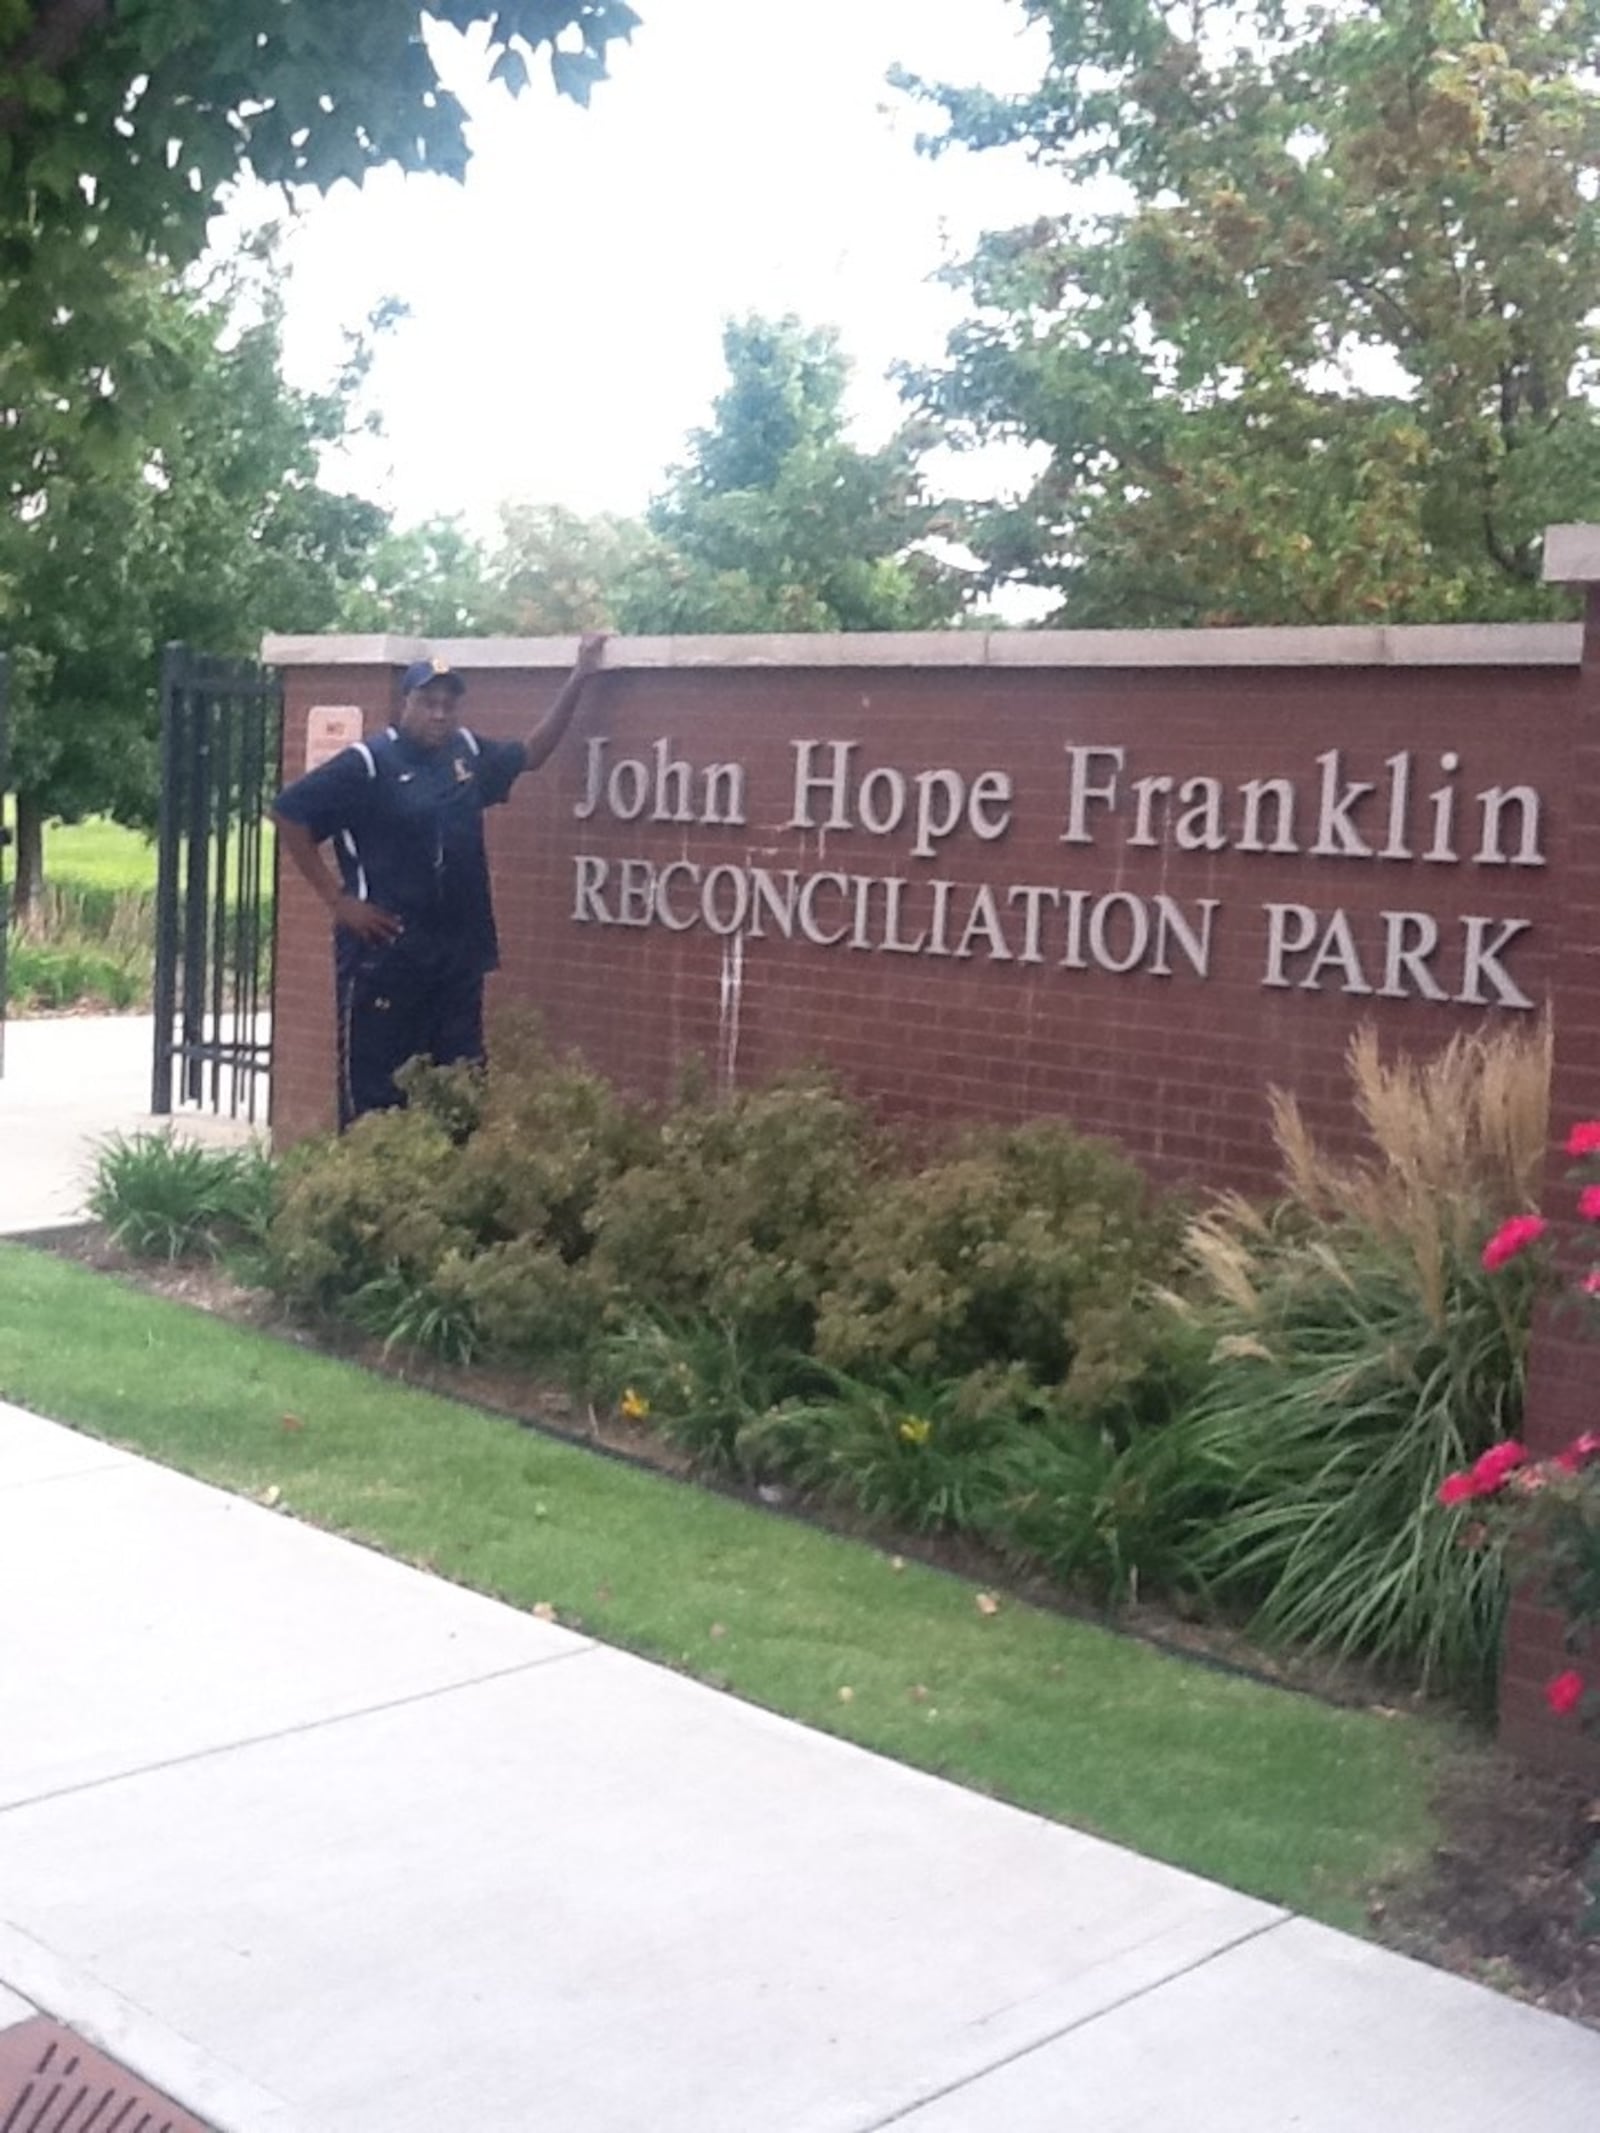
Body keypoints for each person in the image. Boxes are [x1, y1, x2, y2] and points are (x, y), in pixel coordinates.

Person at [273, 635, 607, 1127]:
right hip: (385, 957)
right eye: (427, 702)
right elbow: (289, 814)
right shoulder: (369, 763)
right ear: (405, 703)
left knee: (460, 1090)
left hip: (456, 958)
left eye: (449, 704)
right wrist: (338, 900)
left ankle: (446, 1193)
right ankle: (364, 1194)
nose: (439, 713)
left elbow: (531, 754)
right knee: (377, 1099)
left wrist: (579, 677)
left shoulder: (467, 756)